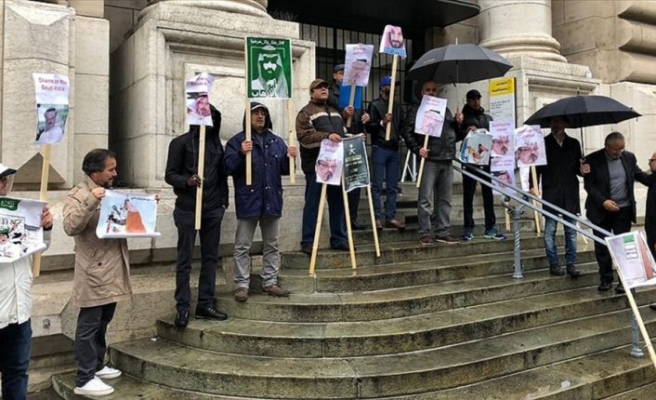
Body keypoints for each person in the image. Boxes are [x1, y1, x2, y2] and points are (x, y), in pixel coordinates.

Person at [63, 149, 129, 396]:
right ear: (94, 171)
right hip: (93, 270)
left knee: (104, 320)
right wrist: (92, 199)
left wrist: (143, 208)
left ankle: (97, 365)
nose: (115, 173)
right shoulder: (79, 194)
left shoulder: (110, 191)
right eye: (110, 169)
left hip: (112, 266)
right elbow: (70, 226)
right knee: (89, 323)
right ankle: (84, 377)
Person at [225, 102, 297, 302]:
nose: (260, 117)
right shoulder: (237, 141)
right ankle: (241, 285)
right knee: (242, 246)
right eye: (255, 113)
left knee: (272, 244)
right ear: (247, 117)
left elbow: (286, 169)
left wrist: (291, 158)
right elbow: (228, 168)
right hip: (249, 200)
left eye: (263, 113)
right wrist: (241, 153)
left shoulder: (277, 141)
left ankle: (270, 282)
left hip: (272, 200)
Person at [165, 103, 229, 327]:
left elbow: (222, 178)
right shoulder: (180, 143)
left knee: (210, 259)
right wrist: (187, 181)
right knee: (185, 260)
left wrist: (223, 204)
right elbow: (170, 175)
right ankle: (182, 307)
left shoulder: (216, 146)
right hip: (187, 209)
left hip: (212, 209)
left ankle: (205, 303)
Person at [0, 165, 53, 400]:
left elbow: (36, 249)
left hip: (20, 313)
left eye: (5, 180)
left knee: (18, 372)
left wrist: (46, 228)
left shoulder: (18, 210)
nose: (3, 184)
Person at [583, 132, 653, 293]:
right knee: (602, 246)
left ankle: (626, 280)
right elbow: (589, 186)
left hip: (623, 210)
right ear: (607, 146)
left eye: (621, 149)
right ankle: (606, 278)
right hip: (601, 210)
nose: (619, 153)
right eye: (615, 150)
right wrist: (603, 202)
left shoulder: (629, 157)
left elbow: (640, 176)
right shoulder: (592, 160)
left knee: (623, 246)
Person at [401, 80, 464, 245]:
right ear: (422, 92)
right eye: (428, 90)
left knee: (445, 199)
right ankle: (425, 232)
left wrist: (458, 124)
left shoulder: (445, 110)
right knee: (425, 198)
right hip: (429, 158)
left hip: (446, 158)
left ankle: (443, 231)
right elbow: (407, 132)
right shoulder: (416, 110)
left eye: (434, 90)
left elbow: (454, 135)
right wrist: (418, 148)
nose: (431, 92)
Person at [297, 78, 349, 254]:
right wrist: (327, 136)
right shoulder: (305, 113)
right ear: (312, 92)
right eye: (319, 88)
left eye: (326, 87)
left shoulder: (336, 112)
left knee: (338, 203)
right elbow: (304, 138)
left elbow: (343, 135)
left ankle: (339, 238)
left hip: (336, 165)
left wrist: (354, 138)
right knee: (313, 203)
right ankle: (308, 241)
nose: (324, 89)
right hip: (316, 166)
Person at [530, 117, 584, 277]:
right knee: (550, 230)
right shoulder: (542, 143)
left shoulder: (574, 143)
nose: (555, 125)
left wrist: (583, 169)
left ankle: (571, 264)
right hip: (551, 191)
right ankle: (553, 264)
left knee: (571, 231)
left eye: (559, 123)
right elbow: (535, 167)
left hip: (570, 192)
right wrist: (533, 185)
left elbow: (578, 170)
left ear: (565, 124)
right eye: (553, 123)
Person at [328, 64, 370, 231]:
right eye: (341, 73)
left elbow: (359, 115)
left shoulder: (355, 93)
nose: (344, 76)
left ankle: (352, 218)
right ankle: (340, 223)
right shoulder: (331, 93)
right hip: (339, 142)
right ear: (335, 76)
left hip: (355, 141)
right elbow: (336, 110)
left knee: (355, 182)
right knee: (339, 185)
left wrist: (366, 117)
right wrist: (344, 112)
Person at [460, 89, 505, 242]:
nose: (476, 101)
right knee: (468, 195)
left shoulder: (487, 118)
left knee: (488, 194)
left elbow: (496, 137)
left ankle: (490, 227)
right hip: (470, 161)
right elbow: (457, 135)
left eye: (478, 98)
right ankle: (468, 227)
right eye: (473, 99)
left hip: (486, 160)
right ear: (467, 100)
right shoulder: (463, 117)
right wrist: (465, 129)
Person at [366, 75, 405, 230]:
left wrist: (399, 136)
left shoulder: (397, 106)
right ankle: (376, 217)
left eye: (395, 85)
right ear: (383, 87)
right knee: (377, 184)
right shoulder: (374, 105)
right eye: (391, 85)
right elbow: (369, 127)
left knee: (392, 185)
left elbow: (400, 124)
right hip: (380, 147)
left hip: (393, 149)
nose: (394, 88)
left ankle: (390, 216)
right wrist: (382, 122)